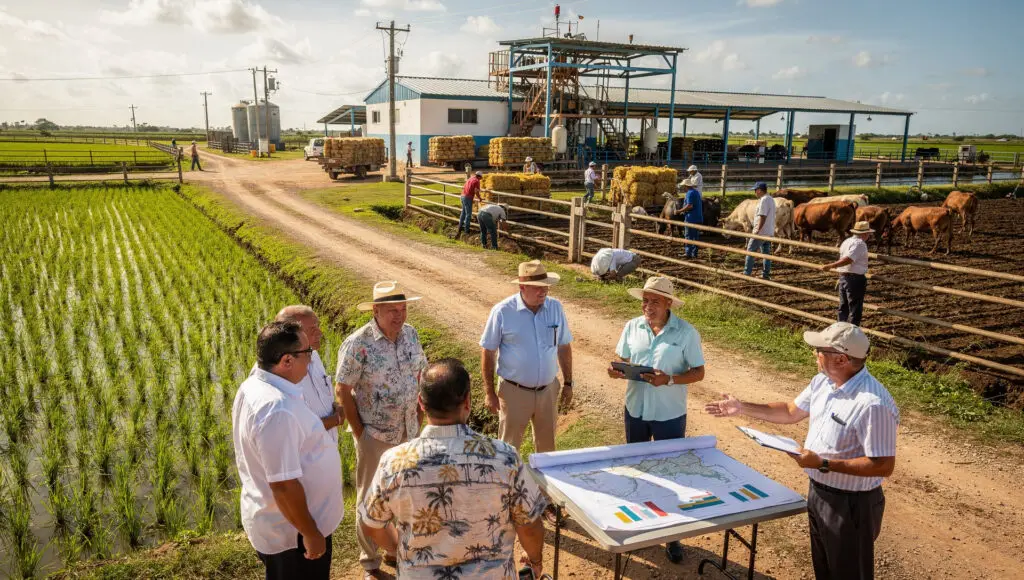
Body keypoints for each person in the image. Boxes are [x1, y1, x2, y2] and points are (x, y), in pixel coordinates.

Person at [705, 322, 899, 580]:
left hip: (852, 505)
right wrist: (742, 407)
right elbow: (790, 411)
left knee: (849, 572)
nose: (814, 355)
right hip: (819, 492)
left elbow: (883, 465)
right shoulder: (823, 382)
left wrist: (824, 464)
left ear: (841, 359)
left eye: (820, 350)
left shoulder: (872, 404)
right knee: (824, 568)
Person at [360, 359, 548, 579]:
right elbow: (530, 527)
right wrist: (535, 561)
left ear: (421, 403)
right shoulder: (505, 457)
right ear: (467, 401)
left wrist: (401, 552)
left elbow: (372, 525)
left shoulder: (393, 462)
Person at [232, 321, 344, 580]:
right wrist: (311, 533)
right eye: (307, 352)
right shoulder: (277, 409)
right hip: (293, 535)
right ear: (287, 361)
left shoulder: (257, 384)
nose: (311, 357)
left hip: (292, 526)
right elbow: (283, 485)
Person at [607, 276, 705, 564]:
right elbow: (623, 357)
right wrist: (618, 371)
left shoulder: (686, 333)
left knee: (668, 474)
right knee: (637, 471)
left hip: (668, 414)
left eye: (654, 301)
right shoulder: (632, 326)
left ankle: (672, 536)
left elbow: (698, 372)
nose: (647, 306)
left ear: (668, 304)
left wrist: (669, 379)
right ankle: (640, 527)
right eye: (645, 300)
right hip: (635, 409)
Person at [336, 281, 428, 578]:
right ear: (376, 311)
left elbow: (421, 374)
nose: (399, 316)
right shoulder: (358, 343)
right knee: (369, 499)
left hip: (408, 432)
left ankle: (395, 550)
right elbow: (343, 389)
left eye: (403, 309)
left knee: (403, 493)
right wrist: (360, 434)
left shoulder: (411, 334)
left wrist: (418, 416)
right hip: (375, 435)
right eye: (392, 311)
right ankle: (370, 561)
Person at [480, 260, 573, 452]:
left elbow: (564, 346)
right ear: (522, 287)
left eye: (546, 286)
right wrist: (489, 392)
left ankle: (543, 474)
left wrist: (568, 383)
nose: (544, 291)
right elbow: (488, 351)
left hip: (548, 391)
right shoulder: (503, 311)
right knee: (508, 449)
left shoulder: (555, 308)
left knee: (547, 450)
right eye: (538, 287)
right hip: (513, 393)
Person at [273, 305, 344, 439]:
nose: (320, 333)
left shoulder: (313, 355)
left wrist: (335, 406)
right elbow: (296, 429)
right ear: (292, 337)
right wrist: (336, 419)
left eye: (318, 326)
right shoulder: (282, 372)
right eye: (312, 329)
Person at [821, 221, 873, 326]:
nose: (869, 235)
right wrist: (832, 265)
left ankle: (840, 329)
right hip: (855, 279)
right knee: (855, 308)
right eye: (868, 233)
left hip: (843, 277)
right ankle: (852, 331)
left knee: (843, 307)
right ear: (865, 234)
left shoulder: (847, 241)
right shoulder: (860, 244)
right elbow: (849, 259)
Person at [743, 181, 775, 279]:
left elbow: (762, 216)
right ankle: (766, 274)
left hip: (761, 232)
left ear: (760, 190)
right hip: (768, 231)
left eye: (755, 190)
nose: (755, 192)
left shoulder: (764, 200)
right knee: (766, 254)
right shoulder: (770, 199)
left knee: (750, 250)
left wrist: (757, 229)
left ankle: (746, 273)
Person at [677, 177, 704, 259]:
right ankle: (694, 254)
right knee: (695, 236)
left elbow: (690, 206)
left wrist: (679, 211)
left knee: (688, 236)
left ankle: (688, 253)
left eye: (683, 186)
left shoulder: (689, 193)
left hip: (691, 218)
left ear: (686, 186)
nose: (682, 188)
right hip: (698, 217)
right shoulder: (696, 192)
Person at [459, 171, 482, 237]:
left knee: (463, 212)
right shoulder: (477, 181)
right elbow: (476, 191)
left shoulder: (470, 178)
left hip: (462, 196)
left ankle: (460, 227)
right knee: (468, 214)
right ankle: (466, 230)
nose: (480, 179)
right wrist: (480, 198)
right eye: (481, 178)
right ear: (479, 177)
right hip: (468, 197)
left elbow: (464, 187)